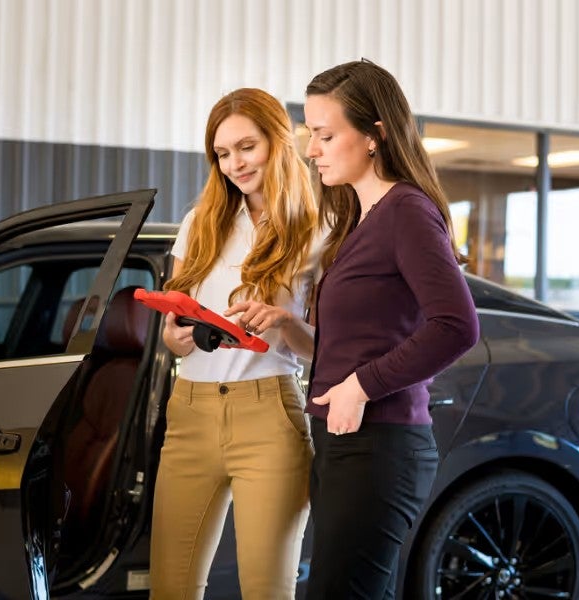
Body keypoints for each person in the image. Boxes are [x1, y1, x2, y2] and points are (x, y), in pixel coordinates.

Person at [302, 59, 480, 599]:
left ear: (375, 134)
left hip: (379, 447)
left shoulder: (406, 210)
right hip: (344, 443)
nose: (313, 150)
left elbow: (457, 325)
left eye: (326, 135)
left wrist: (361, 385)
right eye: (312, 135)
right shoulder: (362, 219)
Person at [149, 87, 321, 600]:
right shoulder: (200, 222)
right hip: (190, 413)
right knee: (171, 590)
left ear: (278, 140)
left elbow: (325, 349)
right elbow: (174, 335)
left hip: (270, 414)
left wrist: (283, 325)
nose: (234, 164)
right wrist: (174, 336)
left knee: (267, 591)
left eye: (246, 147)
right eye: (222, 154)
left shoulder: (319, 231)